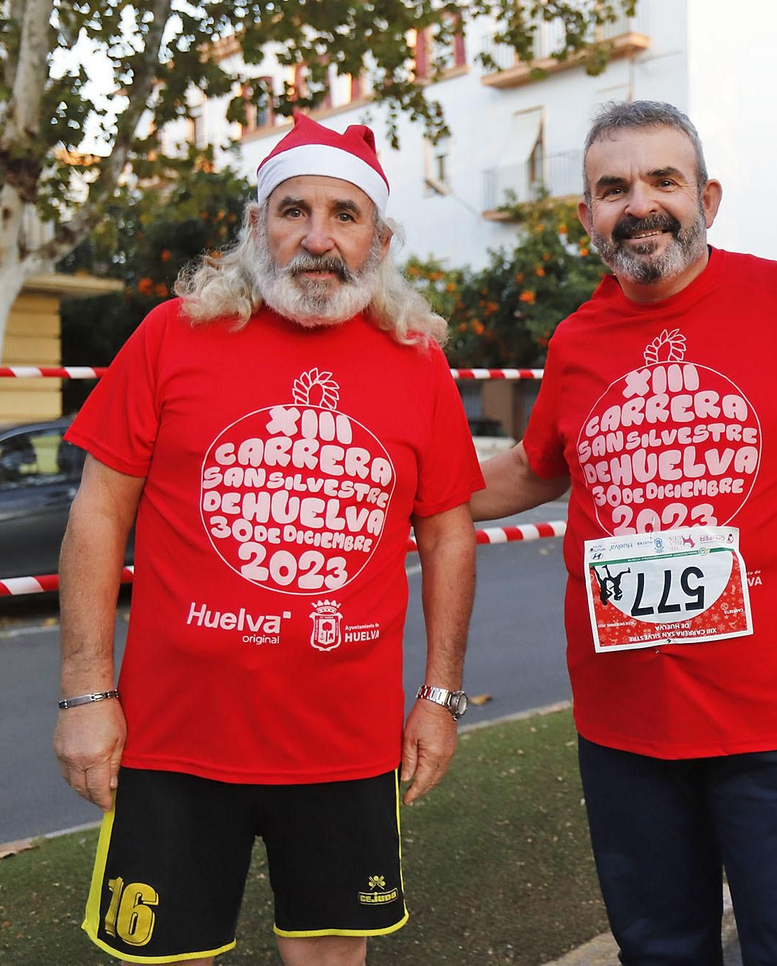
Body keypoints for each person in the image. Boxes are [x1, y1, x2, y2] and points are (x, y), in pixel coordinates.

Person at [469, 101, 777, 965]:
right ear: (586, 215)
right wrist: (388, 486)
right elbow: (534, 466)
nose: (640, 204)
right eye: (613, 187)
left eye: (664, 180)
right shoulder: (578, 338)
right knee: (660, 952)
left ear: (706, 196)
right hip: (626, 728)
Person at [54, 115, 483, 966]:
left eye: (345, 215)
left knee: (329, 956)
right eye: (293, 210)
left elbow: (446, 532)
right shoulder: (170, 336)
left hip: (345, 745)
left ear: (379, 240)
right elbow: (98, 512)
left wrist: (440, 695)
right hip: (174, 738)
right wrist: (82, 693)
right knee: (164, 956)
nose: (317, 238)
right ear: (257, 226)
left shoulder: (417, 361)